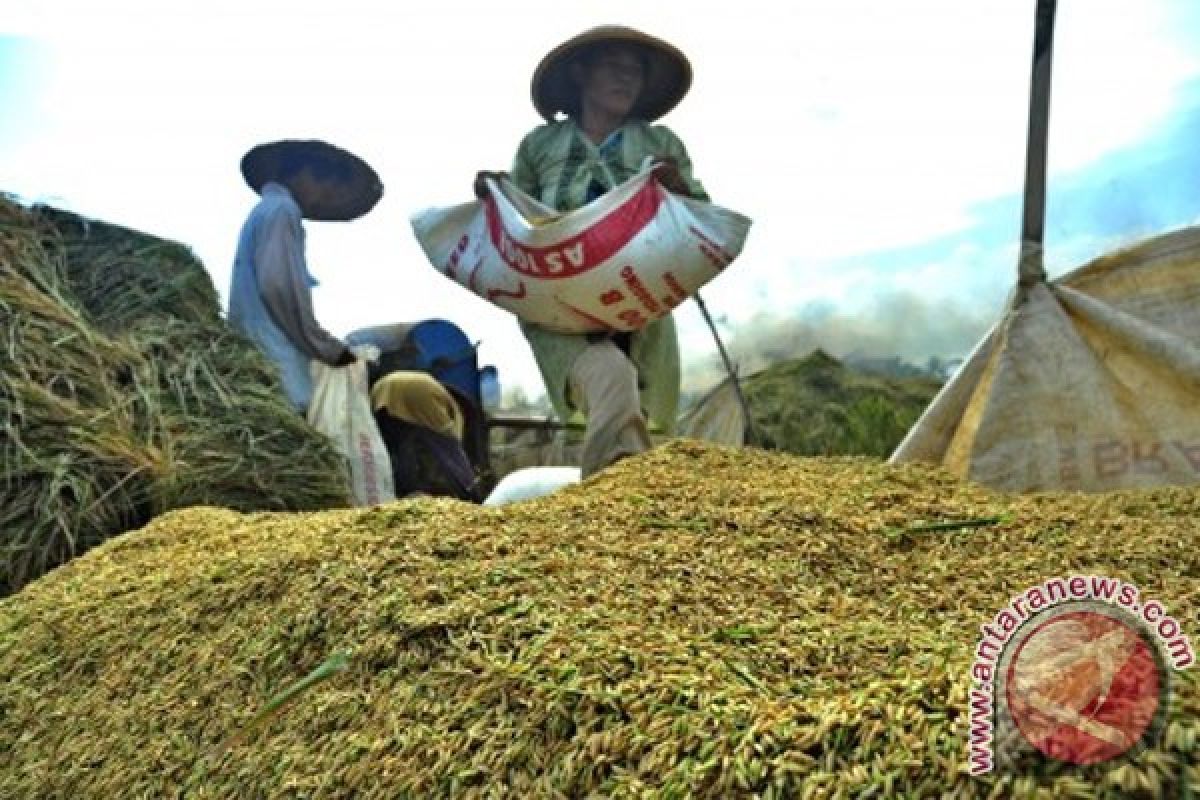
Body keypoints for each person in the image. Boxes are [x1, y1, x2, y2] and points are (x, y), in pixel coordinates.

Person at [475, 26, 708, 477]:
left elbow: (702, 218)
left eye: (635, 72)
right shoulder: (540, 145)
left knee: (648, 413)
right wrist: (494, 196)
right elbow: (518, 225)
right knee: (609, 381)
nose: (626, 79)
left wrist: (676, 189)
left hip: (640, 301)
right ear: (581, 74)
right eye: (614, 68)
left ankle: (630, 510)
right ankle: (613, 504)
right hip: (558, 307)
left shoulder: (660, 144)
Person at [228, 139, 383, 414]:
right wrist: (327, 347)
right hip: (275, 362)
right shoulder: (283, 211)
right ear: (300, 173)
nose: (324, 195)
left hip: (255, 356)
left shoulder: (266, 211)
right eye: (323, 184)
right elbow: (279, 288)